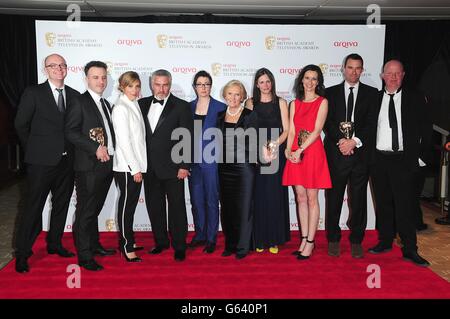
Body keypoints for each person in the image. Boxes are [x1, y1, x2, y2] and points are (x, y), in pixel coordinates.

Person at [14, 54, 80, 273]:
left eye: (62, 65)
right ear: (46, 69)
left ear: (67, 68)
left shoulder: (74, 95)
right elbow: (21, 125)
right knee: (33, 208)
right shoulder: (33, 93)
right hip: (40, 162)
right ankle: (22, 253)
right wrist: (35, 149)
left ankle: (55, 243)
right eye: (54, 65)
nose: (58, 68)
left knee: (61, 205)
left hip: (67, 162)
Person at [368, 59, 432, 267]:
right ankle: (385, 241)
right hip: (379, 160)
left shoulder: (415, 98)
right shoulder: (374, 99)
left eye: (397, 73)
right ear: (382, 76)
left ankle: (410, 249)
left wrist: (420, 158)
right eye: (389, 73)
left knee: (405, 206)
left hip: (404, 160)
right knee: (384, 203)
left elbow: (426, 129)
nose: (393, 77)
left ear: (403, 75)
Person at [323, 53, 378, 258]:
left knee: (358, 200)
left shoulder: (372, 94)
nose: (354, 72)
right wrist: (342, 142)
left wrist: (354, 141)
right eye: (350, 67)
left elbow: (372, 124)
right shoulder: (330, 93)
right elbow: (327, 123)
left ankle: (356, 240)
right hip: (337, 153)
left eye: (358, 68)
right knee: (334, 198)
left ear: (362, 70)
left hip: (361, 154)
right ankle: (333, 239)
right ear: (343, 68)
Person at [65, 61, 117, 271]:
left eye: (103, 77)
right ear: (86, 79)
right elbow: (70, 132)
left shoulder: (105, 103)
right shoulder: (79, 101)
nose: (101, 81)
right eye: (96, 77)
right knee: (86, 211)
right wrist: (95, 147)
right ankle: (85, 256)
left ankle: (94, 246)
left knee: (94, 210)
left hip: (107, 165)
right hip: (88, 166)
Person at [138, 69, 193, 262]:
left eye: (165, 84)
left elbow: (187, 137)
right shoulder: (141, 104)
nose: (161, 89)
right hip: (148, 167)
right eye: (158, 84)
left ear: (170, 84)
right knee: (155, 206)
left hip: (174, 167)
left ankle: (180, 245)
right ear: (151, 84)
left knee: (177, 207)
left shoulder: (181, 106)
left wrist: (185, 165)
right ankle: (161, 242)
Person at [282, 64, 331, 260]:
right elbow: (292, 130)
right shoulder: (294, 103)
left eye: (314, 79)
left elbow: (317, 130)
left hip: (312, 152)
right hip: (295, 152)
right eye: (307, 78)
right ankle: (303, 238)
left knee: (312, 198)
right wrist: (288, 149)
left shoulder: (322, 102)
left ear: (318, 82)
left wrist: (301, 149)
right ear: (301, 80)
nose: (310, 82)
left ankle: (311, 241)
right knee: (300, 197)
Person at [245, 68, 290, 254]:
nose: (265, 85)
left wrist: (274, 144)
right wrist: (257, 149)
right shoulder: (250, 103)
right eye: (261, 82)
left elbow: (287, 130)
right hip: (256, 155)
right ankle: (258, 238)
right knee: (257, 197)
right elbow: (247, 129)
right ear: (256, 84)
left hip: (275, 155)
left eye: (268, 81)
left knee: (273, 196)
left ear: (272, 82)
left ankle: (273, 239)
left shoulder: (281, 102)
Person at [218, 80, 257, 259]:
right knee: (227, 208)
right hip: (224, 168)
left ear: (242, 97)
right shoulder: (219, 116)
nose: (233, 98)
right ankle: (230, 244)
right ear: (225, 96)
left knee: (244, 208)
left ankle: (243, 246)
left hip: (244, 168)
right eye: (230, 94)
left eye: (237, 94)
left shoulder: (250, 115)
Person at [188, 70, 226, 253]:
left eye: (206, 84)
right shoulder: (188, 107)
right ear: (194, 86)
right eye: (200, 84)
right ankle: (200, 234)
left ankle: (211, 238)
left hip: (213, 163)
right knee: (196, 201)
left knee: (211, 200)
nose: (203, 87)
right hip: (193, 164)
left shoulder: (220, 107)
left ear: (211, 86)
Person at [111, 71, 147, 262]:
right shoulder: (120, 108)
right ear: (122, 87)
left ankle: (129, 240)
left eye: (137, 86)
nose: (134, 90)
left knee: (130, 206)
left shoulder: (133, 104)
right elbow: (124, 142)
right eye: (130, 86)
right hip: (127, 168)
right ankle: (126, 246)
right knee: (126, 207)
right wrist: (135, 168)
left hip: (136, 165)